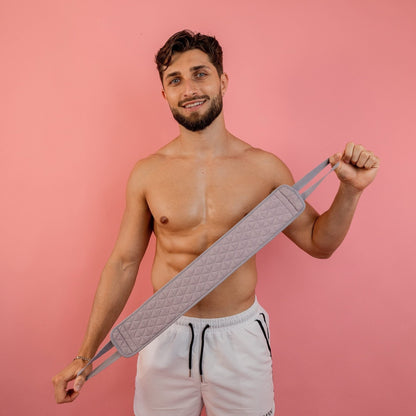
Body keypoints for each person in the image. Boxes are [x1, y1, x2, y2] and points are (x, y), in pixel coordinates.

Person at [52, 30, 379, 415]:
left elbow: (318, 242)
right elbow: (123, 263)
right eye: (175, 80)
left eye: (200, 74)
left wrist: (351, 191)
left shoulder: (264, 168)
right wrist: (85, 355)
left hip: (238, 339)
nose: (189, 88)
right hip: (163, 333)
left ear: (222, 80)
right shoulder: (148, 174)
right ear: (164, 94)